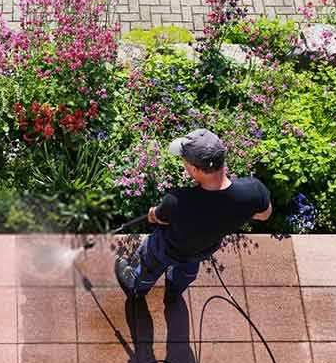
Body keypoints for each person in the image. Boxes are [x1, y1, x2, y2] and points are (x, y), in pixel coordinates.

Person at [116, 128, 272, 305]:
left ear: (195, 169)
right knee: (186, 271)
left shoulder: (176, 201)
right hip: (202, 249)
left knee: (148, 266)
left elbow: (157, 217)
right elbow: (265, 215)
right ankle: (173, 293)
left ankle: (136, 287)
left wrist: (152, 213)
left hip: (167, 247)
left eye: (184, 161)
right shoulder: (253, 191)